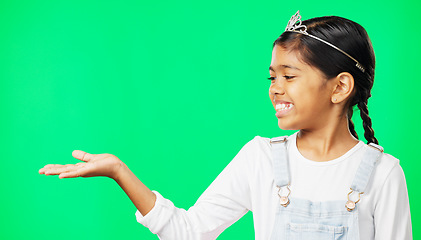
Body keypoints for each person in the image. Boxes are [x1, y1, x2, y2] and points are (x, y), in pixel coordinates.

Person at [39, 11, 412, 239]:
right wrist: (120, 172)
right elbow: (189, 233)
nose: (275, 89)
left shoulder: (383, 175)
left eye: (289, 76)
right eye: (271, 77)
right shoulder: (261, 159)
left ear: (340, 86)